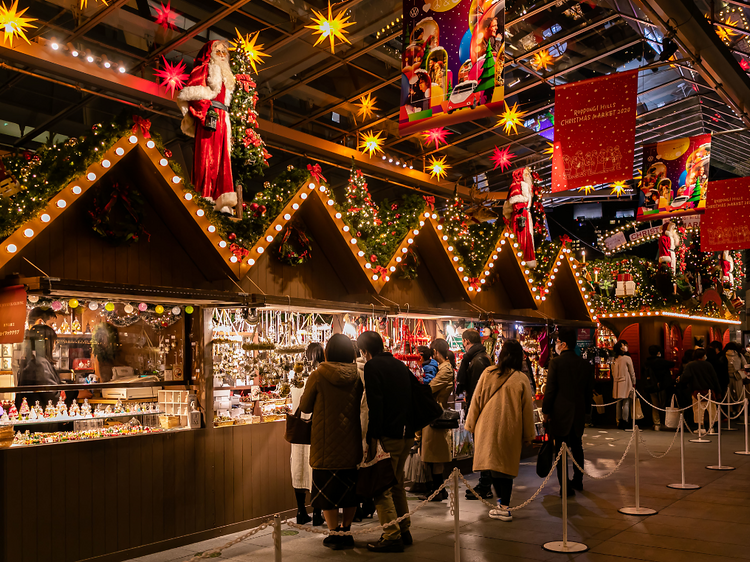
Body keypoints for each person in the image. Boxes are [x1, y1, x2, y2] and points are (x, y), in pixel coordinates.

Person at [299, 334, 363, 550]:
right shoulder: (357, 376)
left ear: (327, 352)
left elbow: (306, 407)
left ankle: (334, 532)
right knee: (349, 490)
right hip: (351, 440)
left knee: (327, 490)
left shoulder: (318, 375)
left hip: (325, 443)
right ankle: (346, 530)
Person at [357, 331, 414, 553]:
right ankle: (404, 529)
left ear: (364, 351)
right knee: (397, 484)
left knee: (381, 487)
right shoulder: (400, 365)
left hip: (388, 434)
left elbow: (375, 405)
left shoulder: (373, 368)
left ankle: (391, 535)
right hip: (406, 433)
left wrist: (372, 437)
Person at [465, 340, 535, 521]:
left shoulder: (489, 373)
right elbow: (527, 410)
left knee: (492, 467)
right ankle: (504, 506)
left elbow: (476, 400)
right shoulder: (521, 379)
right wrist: (528, 435)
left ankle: (502, 505)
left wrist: (470, 424)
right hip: (510, 428)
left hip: (486, 427)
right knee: (506, 468)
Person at [177, 40, 237, 212]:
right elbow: (193, 93)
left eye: (224, 51)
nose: (222, 54)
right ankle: (205, 196)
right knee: (206, 157)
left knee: (223, 161)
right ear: (209, 53)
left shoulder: (228, 76)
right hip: (210, 117)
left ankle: (222, 200)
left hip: (223, 119)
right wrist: (206, 113)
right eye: (217, 51)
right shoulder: (204, 69)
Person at [542, 328, 593, 495]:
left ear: (563, 344)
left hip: (560, 412)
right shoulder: (584, 364)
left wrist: (546, 411)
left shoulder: (556, 363)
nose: (555, 345)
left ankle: (565, 486)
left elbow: (550, 390)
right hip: (578, 411)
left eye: (557, 343)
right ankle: (578, 480)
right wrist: (586, 410)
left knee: (561, 450)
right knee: (577, 446)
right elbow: (588, 391)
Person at [455, 329, 493, 499]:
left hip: (481, 411)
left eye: (463, 342)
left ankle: (485, 485)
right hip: (482, 409)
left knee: (483, 446)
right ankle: (484, 483)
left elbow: (479, 390)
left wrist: (473, 408)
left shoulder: (477, 361)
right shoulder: (480, 357)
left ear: (466, 341)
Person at [290, 343, 325, 526]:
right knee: (315, 469)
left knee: (298, 467)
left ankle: (300, 510)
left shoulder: (297, 376)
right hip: (315, 428)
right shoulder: (319, 375)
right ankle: (317, 513)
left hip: (298, 429)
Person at [418, 339, 454, 502]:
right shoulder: (441, 368)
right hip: (432, 413)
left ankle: (438, 490)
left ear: (436, 352)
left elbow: (431, 387)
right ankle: (436, 488)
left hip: (436, 414)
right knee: (432, 454)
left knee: (435, 454)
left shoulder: (445, 369)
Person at [678, 348, 722, 433]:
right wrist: (718, 391)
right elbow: (715, 378)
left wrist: (680, 380)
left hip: (696, 391)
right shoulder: (708, 364)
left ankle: (701, 427)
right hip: (709, 391)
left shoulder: (690, 365)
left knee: (698, 410)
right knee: (711, 410)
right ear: (703, 356)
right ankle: (711, 427)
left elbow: (685, 377)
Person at [643, 345, 675, 431]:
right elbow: (673, 363)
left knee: (654, 405)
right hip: (662, 386)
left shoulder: (647, 362)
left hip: (651, 386)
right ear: (658, 352)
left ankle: (656, 423)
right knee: (663, 404)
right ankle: (663, 422)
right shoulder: (662, 362)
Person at [612, 340, 636, 430]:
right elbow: (632, 372)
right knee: (626, 402)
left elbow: (613, 373)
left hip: (617, 382)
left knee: (618, 403)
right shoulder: (627, 358)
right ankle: (625, 421)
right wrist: (634, 383)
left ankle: (619, 421)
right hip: (626, 382)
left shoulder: (614, 359)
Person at [726, 342, 745, 414]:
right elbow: (745, 365)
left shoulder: (725, 355)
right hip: (738, 377)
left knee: (728, 394)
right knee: (739, 395)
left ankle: (730, 411)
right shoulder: (739, 355)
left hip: (727, 377)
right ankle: (738, 411)